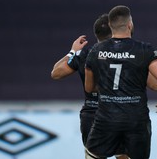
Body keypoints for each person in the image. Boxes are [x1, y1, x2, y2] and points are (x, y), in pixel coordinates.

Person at [84, 5, 157, 159]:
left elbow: (89, 88)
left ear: (111, 26)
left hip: (106, 119)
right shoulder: (144, 50)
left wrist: (109, 90)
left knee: (92, 155)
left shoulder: (96, 51)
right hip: (136, 121)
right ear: (129, 25)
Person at [51, 14, 130, 159]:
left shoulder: (85, 54)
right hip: (118, 112)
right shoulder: (127, 53)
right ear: (114, 31)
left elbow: (56, 73)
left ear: (96, 34)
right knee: (123, 155)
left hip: (92, 114)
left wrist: (72, 51)